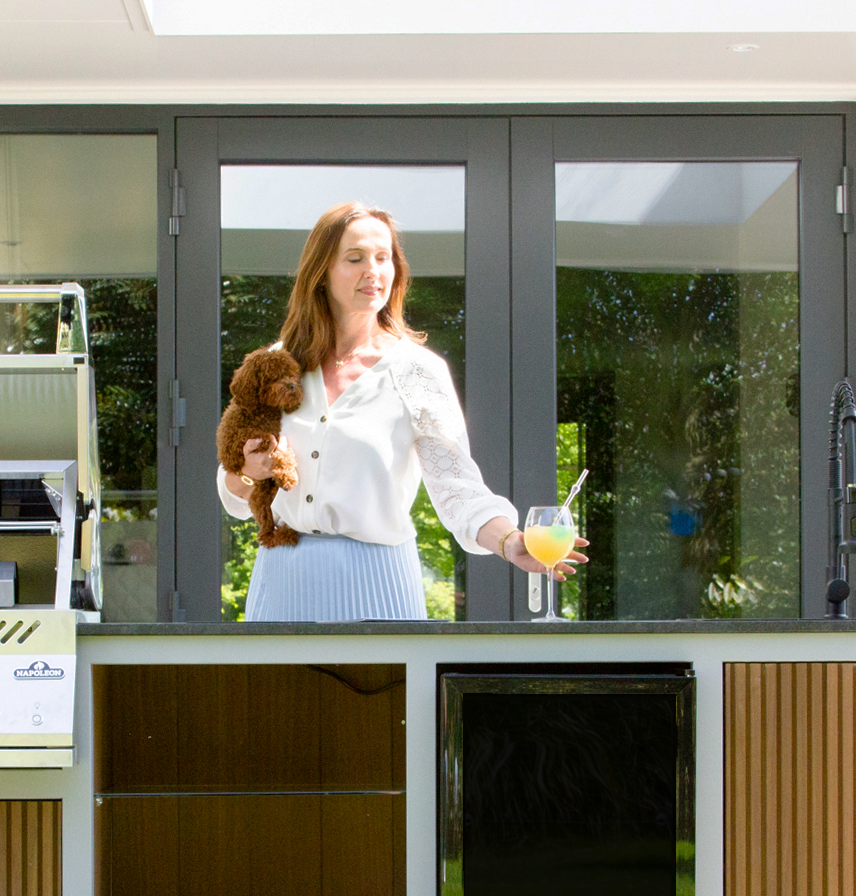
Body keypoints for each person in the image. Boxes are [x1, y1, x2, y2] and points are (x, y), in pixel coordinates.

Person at [219, 201, 586, 620]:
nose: (372, 270)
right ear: (321, 273)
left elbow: (457, 488)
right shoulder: (276, 364)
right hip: (283, 580)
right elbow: (232, 486)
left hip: (378, 582)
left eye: (383, 257)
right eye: (354, 258)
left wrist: (508, 541)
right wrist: (249, 471)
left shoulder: (418, 371)